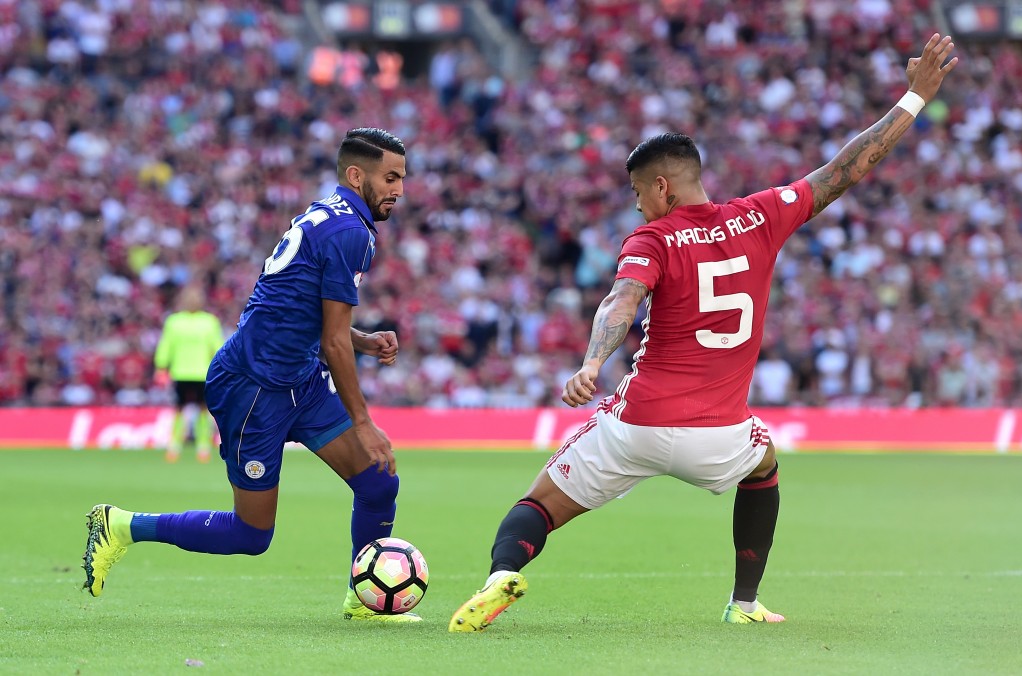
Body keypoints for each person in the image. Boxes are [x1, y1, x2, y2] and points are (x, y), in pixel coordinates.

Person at [449, 35, 958, 632]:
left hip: (637, 424)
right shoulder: (761, 215)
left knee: (538, 504)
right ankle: (744, 603)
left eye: (638, 192)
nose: (637, 206)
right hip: (719, 435)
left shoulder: (652, 238)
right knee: (764, 464)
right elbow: (844, 170)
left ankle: (500, 576)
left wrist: (591, 363)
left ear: (661, 187)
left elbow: (622, 299)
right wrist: (914, 98)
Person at [83, 128, 421, 623]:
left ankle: (363, 600)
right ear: (356, 175)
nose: (399, 189)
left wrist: (362, 340)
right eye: (390, 178)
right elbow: (331, 340)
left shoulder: (332, 215)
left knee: (378, 483)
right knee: (251, 534)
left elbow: (305, 311)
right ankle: (121, 525)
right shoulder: (350, 231)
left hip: (298, 379)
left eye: (402, 179)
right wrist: (363, 422)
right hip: (253, 387)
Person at [153, 285, 224, 463]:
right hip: (202, 373)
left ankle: (174, 446)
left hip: (180, 372)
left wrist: (161, 367)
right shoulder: (209, 322)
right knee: (203, 410)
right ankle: (203, 447)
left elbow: (165, 346)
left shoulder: (174, 321)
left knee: (179, 410)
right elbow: (218, 348)